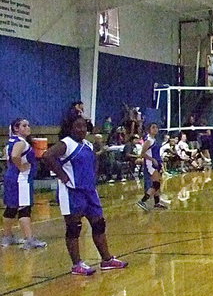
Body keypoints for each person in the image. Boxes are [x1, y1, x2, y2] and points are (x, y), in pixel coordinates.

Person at [42, 112, 127, 275]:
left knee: (99, 224)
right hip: (73, 193)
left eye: (84, 126)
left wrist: (93, 176)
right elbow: (47, 156)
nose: (82, 129)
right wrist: (63, 176)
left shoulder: (87, 144)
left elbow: (94, 160)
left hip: (89, 192)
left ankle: (107, 259)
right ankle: (77, 264)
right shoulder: (66, 143)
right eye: (78, 126)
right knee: (74, 228)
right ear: (70, 128)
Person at [2, 118, 47, 249]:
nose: (28, 127)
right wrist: (21, 167)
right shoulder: (21, 143)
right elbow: (15, 156)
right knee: (24, 209)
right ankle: (29, 239)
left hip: (11, 176)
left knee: (11, 208)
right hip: (21, 179)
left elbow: (9, 158)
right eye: (24, 125)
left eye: (28, 125)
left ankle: (7, 237)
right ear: (16, 129)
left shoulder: (10, 142)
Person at [137, 123, 168, 210]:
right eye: (153, 127)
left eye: (156, 127)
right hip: (150, 164)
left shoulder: (154, 140)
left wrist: (159, 161)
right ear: (149, 129)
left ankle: (157, 202)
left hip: (156, 163)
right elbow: (142, 154)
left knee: (157, 183)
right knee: (156, 184)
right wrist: (152, 159)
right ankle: (142, 201)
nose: (155, 129)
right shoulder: (149, 140)